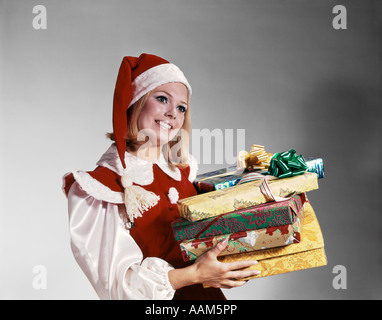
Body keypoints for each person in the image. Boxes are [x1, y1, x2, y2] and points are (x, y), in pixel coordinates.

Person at [62, 53, 259, 300]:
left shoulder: (185, 173)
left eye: (181, 107)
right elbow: (117, 288)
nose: (172, 113)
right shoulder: (99, 187)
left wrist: (226, 267)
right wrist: (194, 275)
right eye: (162, 99)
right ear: (136, 101)